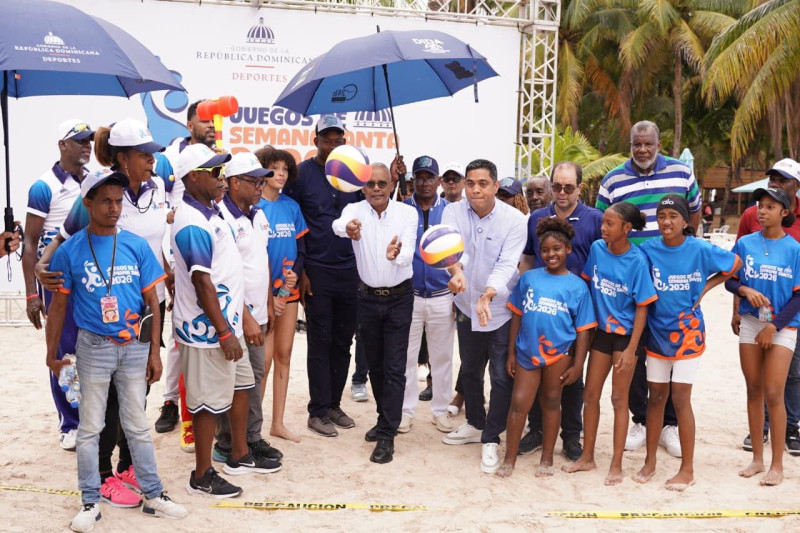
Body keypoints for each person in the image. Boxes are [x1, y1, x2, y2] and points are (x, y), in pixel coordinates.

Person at [37, 118, 172, 506]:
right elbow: (62, 242)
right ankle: (102, 475)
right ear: (123, 158)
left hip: (147, 304)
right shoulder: (99, 195)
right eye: (145, 154)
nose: (152, 161)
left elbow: (152, 245)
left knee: (139, 392)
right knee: (108, 402)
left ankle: (130, 466)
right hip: (101, 316)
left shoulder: (157, 187)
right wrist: (42, 268)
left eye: (153, 154)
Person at [171, 144, 279, 499]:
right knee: (205, 403)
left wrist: (241, 318)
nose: (220, 178)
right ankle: (203, 474)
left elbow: (229, 273)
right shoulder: (191, 224)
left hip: (228, 324)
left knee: (242, 386)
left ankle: (239, 455)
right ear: (191, 178)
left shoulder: (212, 213)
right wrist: (223, 331)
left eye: (221, 170)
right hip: (206, 333)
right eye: (213, 172)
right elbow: (203, 283)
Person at [596, 120, 701, 458]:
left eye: (648, 144)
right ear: (630, 144)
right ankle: (641, 419)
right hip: (631, 280)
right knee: (637, 349)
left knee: (668, 350)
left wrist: (679, 254)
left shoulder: (681, 172)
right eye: (636, 144)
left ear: (659, 143)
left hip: (671, 279)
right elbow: (605, 223)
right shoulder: (613, 178)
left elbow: (694, 214)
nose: (642, 150)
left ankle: (669, 422)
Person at [634, 195, 741, 491]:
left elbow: (735, 264)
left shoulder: (698, 249)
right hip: (656, 334)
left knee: (680, 399)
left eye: (672, 216)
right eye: (661, 216)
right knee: (655, 397)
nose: (666, 222)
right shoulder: (648, 249)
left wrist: (705, 287)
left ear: (685, 221)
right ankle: (650, 461)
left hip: (688, 336)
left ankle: (687, 469)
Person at [441, 159, 527, 474]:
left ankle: (492, 436)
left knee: (502, 376)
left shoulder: (516, 220)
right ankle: (475, 423)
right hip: (465, 304)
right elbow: (450, 249)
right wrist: (456, 271)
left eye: (482, 184)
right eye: (470, 183)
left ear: (494, 186)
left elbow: (508, 263)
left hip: (500, 310)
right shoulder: (452, 210)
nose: (475, 190)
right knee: (471, 370)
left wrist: (489, 294)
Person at [563, 202, 657, 485]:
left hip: (626, 337)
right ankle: (588, 456)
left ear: (627, 229)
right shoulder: (596, 249)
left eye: (610, 224)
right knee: (590, 395)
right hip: (601, 334)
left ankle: (616, 463)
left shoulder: (637, 260)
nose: (603, 228)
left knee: (619, 399)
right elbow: (588, 287)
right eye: (603, 222)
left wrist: (631, 349)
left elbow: (643, 307)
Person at [496, 218, 595, 479]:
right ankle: (509, 459)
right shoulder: (529, 279)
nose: (551, 254)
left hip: (560, 354)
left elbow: (584, 330)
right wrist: (511, 352)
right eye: (546, 250)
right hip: (527, 351)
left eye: (557, 249)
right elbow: (517, 315)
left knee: (552, 402)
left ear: (568, 250)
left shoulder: (578, 286)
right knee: (519, 404)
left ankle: (547, 457)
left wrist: (578, 363)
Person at [333, 163, 417, 463]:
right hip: (367, 299)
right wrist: (348, 228)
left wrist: (397, 256)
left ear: (392, 184)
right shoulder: (354, 210)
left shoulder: (407, 213)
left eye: (382, 183)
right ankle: (386, 420)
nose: (377, 189)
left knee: (394, 368)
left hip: (399, 298)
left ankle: (385, 435)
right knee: (376, 368)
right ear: (362, 187)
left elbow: (407, 253)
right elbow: (337, 226)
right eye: (371, 184)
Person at [518, 161, 603, 460]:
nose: (562, 192)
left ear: (580, 187)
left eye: (569, 187)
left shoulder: (595, 219)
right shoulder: (537, 217)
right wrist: (522, 291)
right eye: (557, 186)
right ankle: (537, 430)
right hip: (542, 309)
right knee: (538, 370)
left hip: (579, 311)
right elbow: (528, 259)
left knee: (571, 375)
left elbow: (602, 265)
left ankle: (570, 435)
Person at [283, 114, 360, 438]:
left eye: (337, 139)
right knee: (320, 341)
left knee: (343, 343)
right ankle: (317, 410)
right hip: (317, 272)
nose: (332, 145)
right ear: (315, 140)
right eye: (326, 139)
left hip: (350, 271)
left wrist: (395, 181)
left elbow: (368, 210)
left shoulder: (353, 174)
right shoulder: (301, 175)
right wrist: (301, 272)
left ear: (344, 141)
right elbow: (295, 224)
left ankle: (333, 405)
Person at [22, 119, 93, 451]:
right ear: (62, 145)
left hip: (93, 282)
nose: (86, 145)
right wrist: (32, 294)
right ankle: (70, 423)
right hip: (58, 284)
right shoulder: (43, 186)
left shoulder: (93, 182)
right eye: (79, 140)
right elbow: (30, 243)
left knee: (93, 352)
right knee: (64, 354)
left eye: (89, 140)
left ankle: (92, 419)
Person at [726, 187, 800, 487]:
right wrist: (744, 290)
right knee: (753, 390)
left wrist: (775, 326)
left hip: (783, 325)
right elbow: (730, 279)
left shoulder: (794, 248)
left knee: (773, 393)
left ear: (785, 212)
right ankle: (757, 459)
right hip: (751, 323)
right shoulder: (745, 243)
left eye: (770, 206)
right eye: (760, 205)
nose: (762, 210)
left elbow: (798, 297)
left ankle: (777, 465)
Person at [153, 99, 218, 441]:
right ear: (189, 124)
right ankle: (169, 403)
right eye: (205, 120)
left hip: (207, 249)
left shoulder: (220, 157)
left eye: (214, 120)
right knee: (178, 335)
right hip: (175, 252)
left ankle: (203, 409)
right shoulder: (169, 157)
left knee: (202, 329)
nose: (211, 125)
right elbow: (157, 201)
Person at [214, 152, 284, 465]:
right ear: (233, 182)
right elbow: (223, 277)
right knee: (233, 383)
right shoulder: (221, 220)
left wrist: (268, 302)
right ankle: (226, 443)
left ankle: (252, 438)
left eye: (262, 180)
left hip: (258, 313)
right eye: (254, 181)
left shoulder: (258, 215)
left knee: (255, 378)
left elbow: (261, 262)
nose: (260, 186)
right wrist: (246, 318)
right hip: (234, 318)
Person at [399, 156, 456, 435]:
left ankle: (441, 411)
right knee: (406, 357)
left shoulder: (450, 211)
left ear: (439, 181)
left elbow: (460, 251)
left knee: (442, 357)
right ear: (412, 180)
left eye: (429, 177)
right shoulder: (401, 210)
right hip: (408, 295)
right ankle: (406, 411)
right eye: (419, 177)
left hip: (442, 294)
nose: (424, 182)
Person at [255, 147, 307, 442]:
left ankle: (277, 423)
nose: (282, 174)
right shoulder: (254, 207)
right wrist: (268, 295)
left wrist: (294, 276)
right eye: (275, 169)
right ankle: (254, 427)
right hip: (263, 296)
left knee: (284, 355)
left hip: (288, 292)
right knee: (263, 361)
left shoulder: (291, 206)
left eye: (286, 169)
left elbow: (301, 250)